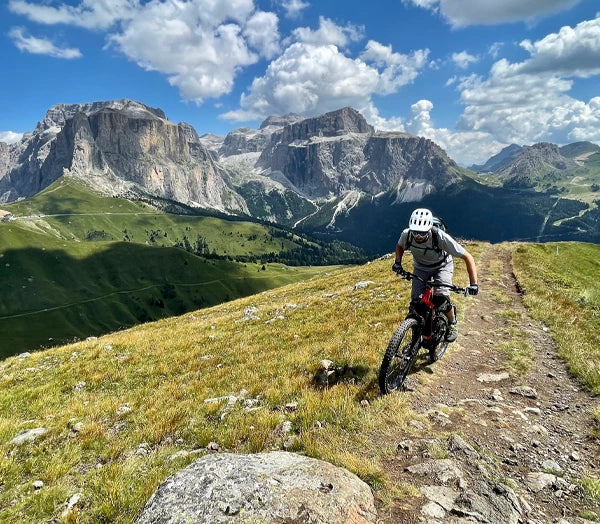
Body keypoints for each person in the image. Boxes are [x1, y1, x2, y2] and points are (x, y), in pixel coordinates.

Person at [392, 208, 478, 342]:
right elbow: (400, 246)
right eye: (415, 232)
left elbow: (468, 257)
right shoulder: (406, 234)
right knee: (416, 303)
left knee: (440, 298)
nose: (418, 236)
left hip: (442, 266)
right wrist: (398, 262)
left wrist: (474, 284)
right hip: (420, 267)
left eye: (422, 233)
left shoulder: (440, 237)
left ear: (428, 229)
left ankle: (452, 322)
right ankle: (418, 331)